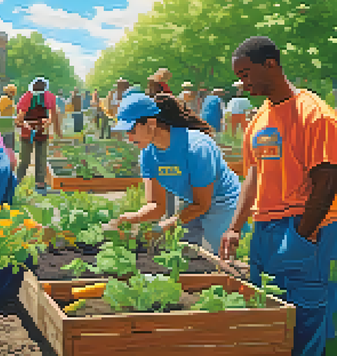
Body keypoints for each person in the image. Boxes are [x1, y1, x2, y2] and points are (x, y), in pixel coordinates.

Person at [220, 36, 337, 356]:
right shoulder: (259, 120)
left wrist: (303, 234)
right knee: (269, 314)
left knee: (305, 318)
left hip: (303, 226)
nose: (241, 83)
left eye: (245, 74)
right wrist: (234, 227)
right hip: (265, 228)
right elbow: (253, 176)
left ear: (270, 64)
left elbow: (327, 181)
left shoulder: (316, 114)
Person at [109, 93, 241, 255]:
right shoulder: (147, 155)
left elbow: (203, 204)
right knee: (182, 254)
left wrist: (166, 225)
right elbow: (157, 206)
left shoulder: (197, 147)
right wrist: (133, 217)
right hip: (192, 202)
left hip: (223, 202)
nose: (128, 138)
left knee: (219, 256)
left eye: (131, 130)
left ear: (150, 123)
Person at [16, 77, 61, 196]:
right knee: (26, 160)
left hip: (41, 131)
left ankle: (39, 184)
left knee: (39, 159)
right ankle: (17, 181)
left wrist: (47, 123)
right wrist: (28, 125)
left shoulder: (48, 97)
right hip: (29, 132)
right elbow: (19, 120)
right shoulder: (27, 98)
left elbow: (52, 115)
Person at [0, 84, 17, 150]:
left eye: (13, 91)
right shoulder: (4, 99)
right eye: (11, 91)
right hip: (4, 125)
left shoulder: (10, 100)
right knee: (7, 145)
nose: (13, 93)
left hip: (7, 125)